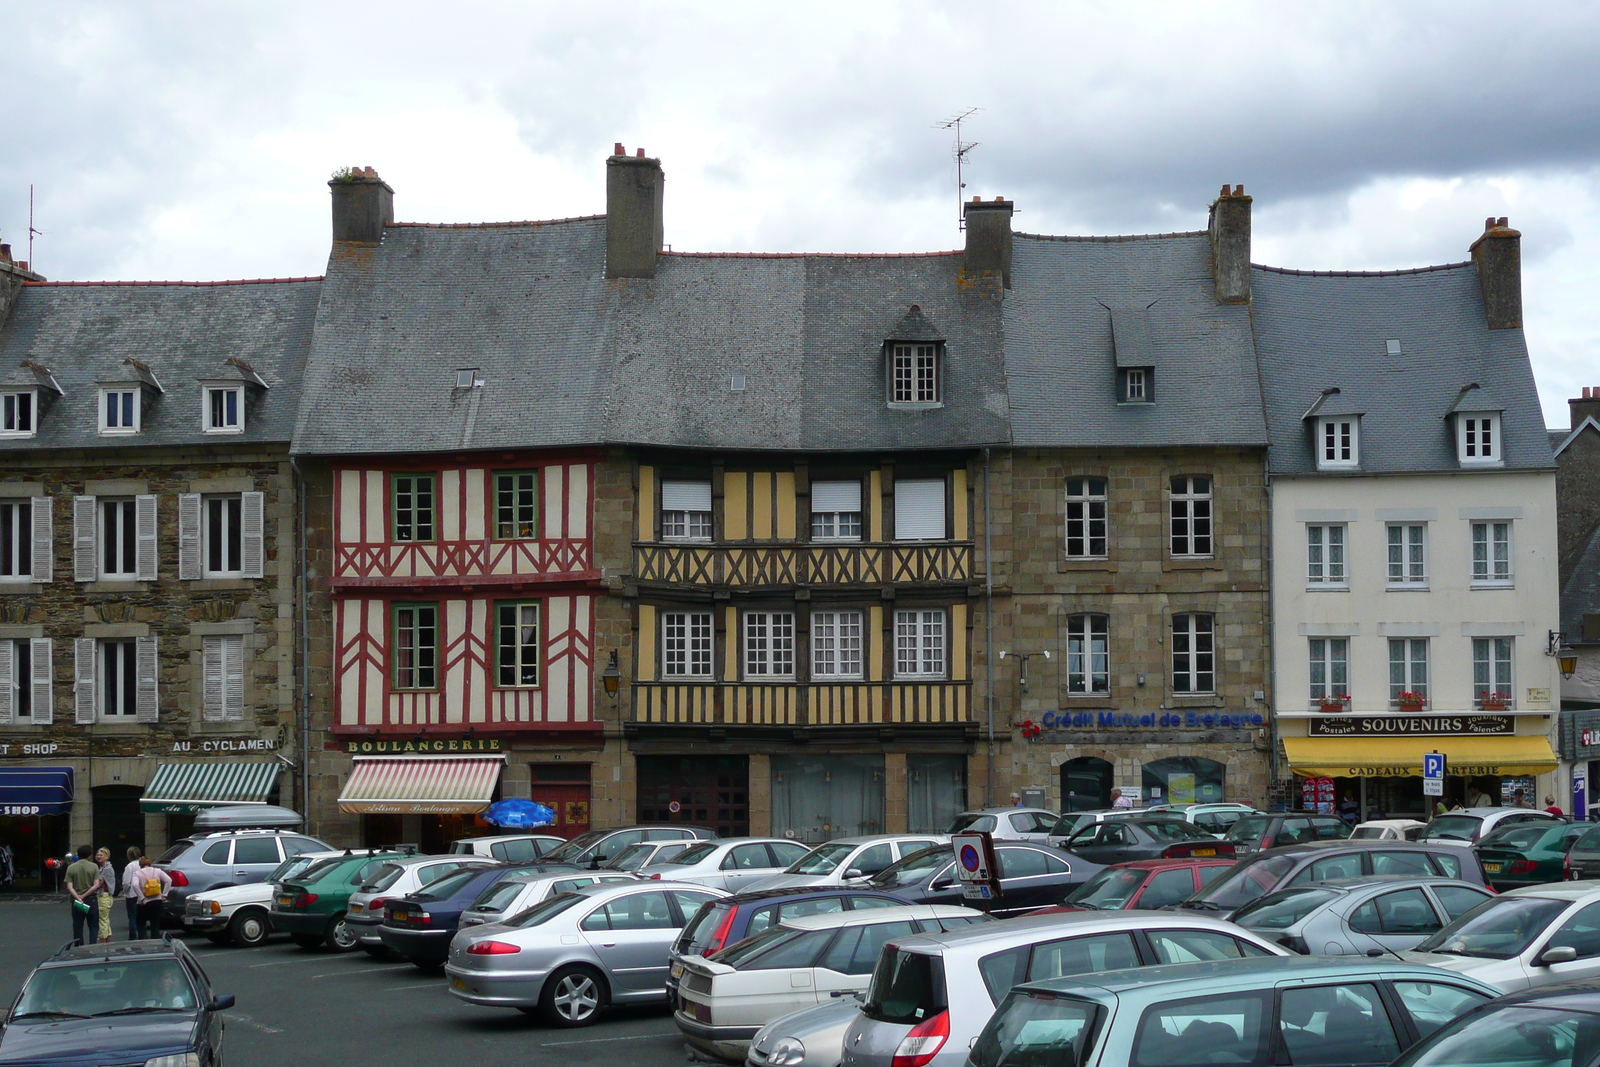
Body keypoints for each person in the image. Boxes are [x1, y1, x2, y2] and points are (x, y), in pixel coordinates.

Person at [63, 845, 103, 947]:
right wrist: (84, 895)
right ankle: (93, 946)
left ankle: (79, 947)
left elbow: (69, 887)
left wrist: (78, 897)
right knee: (93, 926)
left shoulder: (71, 868)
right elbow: (96, 886)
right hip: (91, 899)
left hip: (77, 901)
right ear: (89, 855)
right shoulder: (94, 866)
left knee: (78, 926)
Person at [132, 856, 171, 940]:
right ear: (150, 863)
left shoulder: (137, 873)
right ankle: (155, 943)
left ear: (140, 865)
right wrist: (164, 895)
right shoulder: (157, 871)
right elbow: (169, 880)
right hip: (157, 901)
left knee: (141, 924)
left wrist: (142, 898)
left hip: (144, 903)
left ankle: (143, 942)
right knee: (155, 924)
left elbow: (135, 885)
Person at [94, 848, 117, 944]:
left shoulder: (107, 868)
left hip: (103, 895)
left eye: (101, 855)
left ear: (107, 857)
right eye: (98, 855)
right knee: (105, 920)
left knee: (102, 920)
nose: (99, 856)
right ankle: (108, 940)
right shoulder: (102, 867)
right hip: (105, 895)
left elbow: (100, 882)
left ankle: (102, 941)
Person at [121, 846, 144, 940]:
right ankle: (142, 936)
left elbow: (126, 882)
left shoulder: (129, 866)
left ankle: (133, 937)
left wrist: (125, 892)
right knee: (141, 916)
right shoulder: (142, 864)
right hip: (142, 893)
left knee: (132, 916)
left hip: (132, 894)